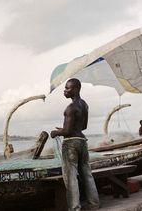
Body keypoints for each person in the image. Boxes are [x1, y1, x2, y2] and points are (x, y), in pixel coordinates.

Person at [51, 78, 100, 211]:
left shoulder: (70, 108)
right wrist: (65, 129)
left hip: (71, 143)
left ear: (76, 89)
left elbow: (67, 131)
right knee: (87, 173)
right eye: (65, 88)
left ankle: (74, 208)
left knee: (71, 176)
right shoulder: (84, 105)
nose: (65, 91)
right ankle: (94, 204)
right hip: (82, 141)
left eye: (68, 88)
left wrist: (57, 132)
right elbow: (83, 126)